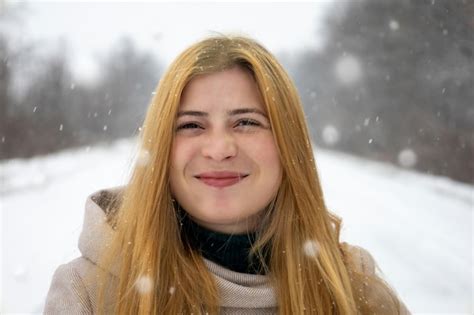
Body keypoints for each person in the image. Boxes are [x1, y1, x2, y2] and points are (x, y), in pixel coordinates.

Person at [44, 35, 410, 314]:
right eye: (191, 125)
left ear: (289, 144)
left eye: (247, 122)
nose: (219, 149)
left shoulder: (352, 289)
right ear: (160, 152)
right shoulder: (89, 293)